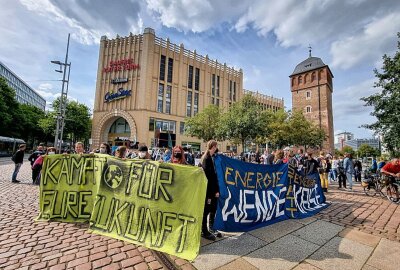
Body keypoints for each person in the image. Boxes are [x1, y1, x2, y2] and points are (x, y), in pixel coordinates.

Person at [199, 140, 220, 240]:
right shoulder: (207, 159)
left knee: (213, 208)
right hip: (209, 191)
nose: (216, 148)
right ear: (213, 147)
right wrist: (214, 191)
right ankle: (204, 230)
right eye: (216, 146)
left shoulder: (211, 158)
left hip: (211, 190)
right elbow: (209, 177)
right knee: (206, 210)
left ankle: (210, 228)